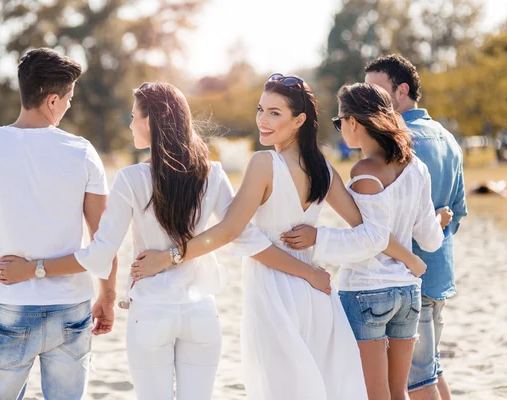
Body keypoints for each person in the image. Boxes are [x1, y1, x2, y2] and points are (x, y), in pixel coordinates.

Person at [0, 81, 339, 400]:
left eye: (134, 117)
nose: (130, 125)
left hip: (151, 313)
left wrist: (35, 269)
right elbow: (242, 235)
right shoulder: (212, 173)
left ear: (151, 122)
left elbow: (99, 255)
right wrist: (305, 271)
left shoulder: (131, 179)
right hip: (202, 313)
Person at [130, 75, 427, 399]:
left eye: (275, 113)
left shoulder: (264, 163)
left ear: (299, 120)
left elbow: (232, 230)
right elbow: (371, 232)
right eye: (261, 110)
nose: (262, 120)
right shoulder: (323, 168)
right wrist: (403, 257)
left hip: (274, 291)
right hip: (315, 293)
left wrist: (170, 256)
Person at [0, 47, 117, 399]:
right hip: (72, 308)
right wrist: (107, 296)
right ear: (53, 100)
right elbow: (104, 237)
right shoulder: (83, 152)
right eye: (69, 99)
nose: (69, 107)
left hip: (12, 306)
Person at [279, 82, 449, 399]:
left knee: (374, 394)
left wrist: (318, 238)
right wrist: (440, 221)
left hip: (367, 292)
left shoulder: (365, 171)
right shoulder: (417, 168)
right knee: (398, 392)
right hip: (408, 293)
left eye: (339, 121)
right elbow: (429, 240)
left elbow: (369, 239)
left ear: (353, 122)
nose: (340, 127)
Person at [365, 54, 468, 400]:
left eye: (376, 91)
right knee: (430, 367)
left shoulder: (398, 141)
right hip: (440, 272)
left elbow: (386, 219)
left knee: (418, 379)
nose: (369, 101)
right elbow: (457, 212)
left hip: (407, 274)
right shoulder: (448, 138)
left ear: (402, 90)